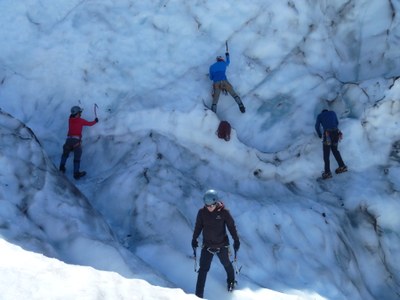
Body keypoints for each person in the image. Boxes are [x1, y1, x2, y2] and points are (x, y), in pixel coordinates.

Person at [192, 189, 240, 298]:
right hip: (207, 246)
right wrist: (194, 239)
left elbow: (231, 227)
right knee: (203, 270)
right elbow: (198, 226)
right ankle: (198, 296)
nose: (209, 208)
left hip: (222, 245)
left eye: (211, 206)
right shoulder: (202, 212)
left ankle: (231, 281)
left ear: (216, 202)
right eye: (207, 205)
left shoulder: (224, 213)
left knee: (227, 264)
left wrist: (236, 240)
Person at [59, 105, 98, 179]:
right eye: (80, 113)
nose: (80, 114)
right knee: (77, 158)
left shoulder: (70, 120)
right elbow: (90, 124)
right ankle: (76, 173)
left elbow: (71, 116)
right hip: (76, 141)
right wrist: (95, 121)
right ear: (77, 113)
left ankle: (61, 168)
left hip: (68, 141)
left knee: (65, 154)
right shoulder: (81, 120)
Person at [315, 109, 347, 179]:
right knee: (335, 150)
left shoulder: (320, 116)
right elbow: (337, 122)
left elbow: (317, 127)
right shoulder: (333, 112)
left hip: (328, 135)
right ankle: (342, 166)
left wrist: (320, 135)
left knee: (326, 153)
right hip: (336, 133)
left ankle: (327, 172)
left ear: (322, 112)